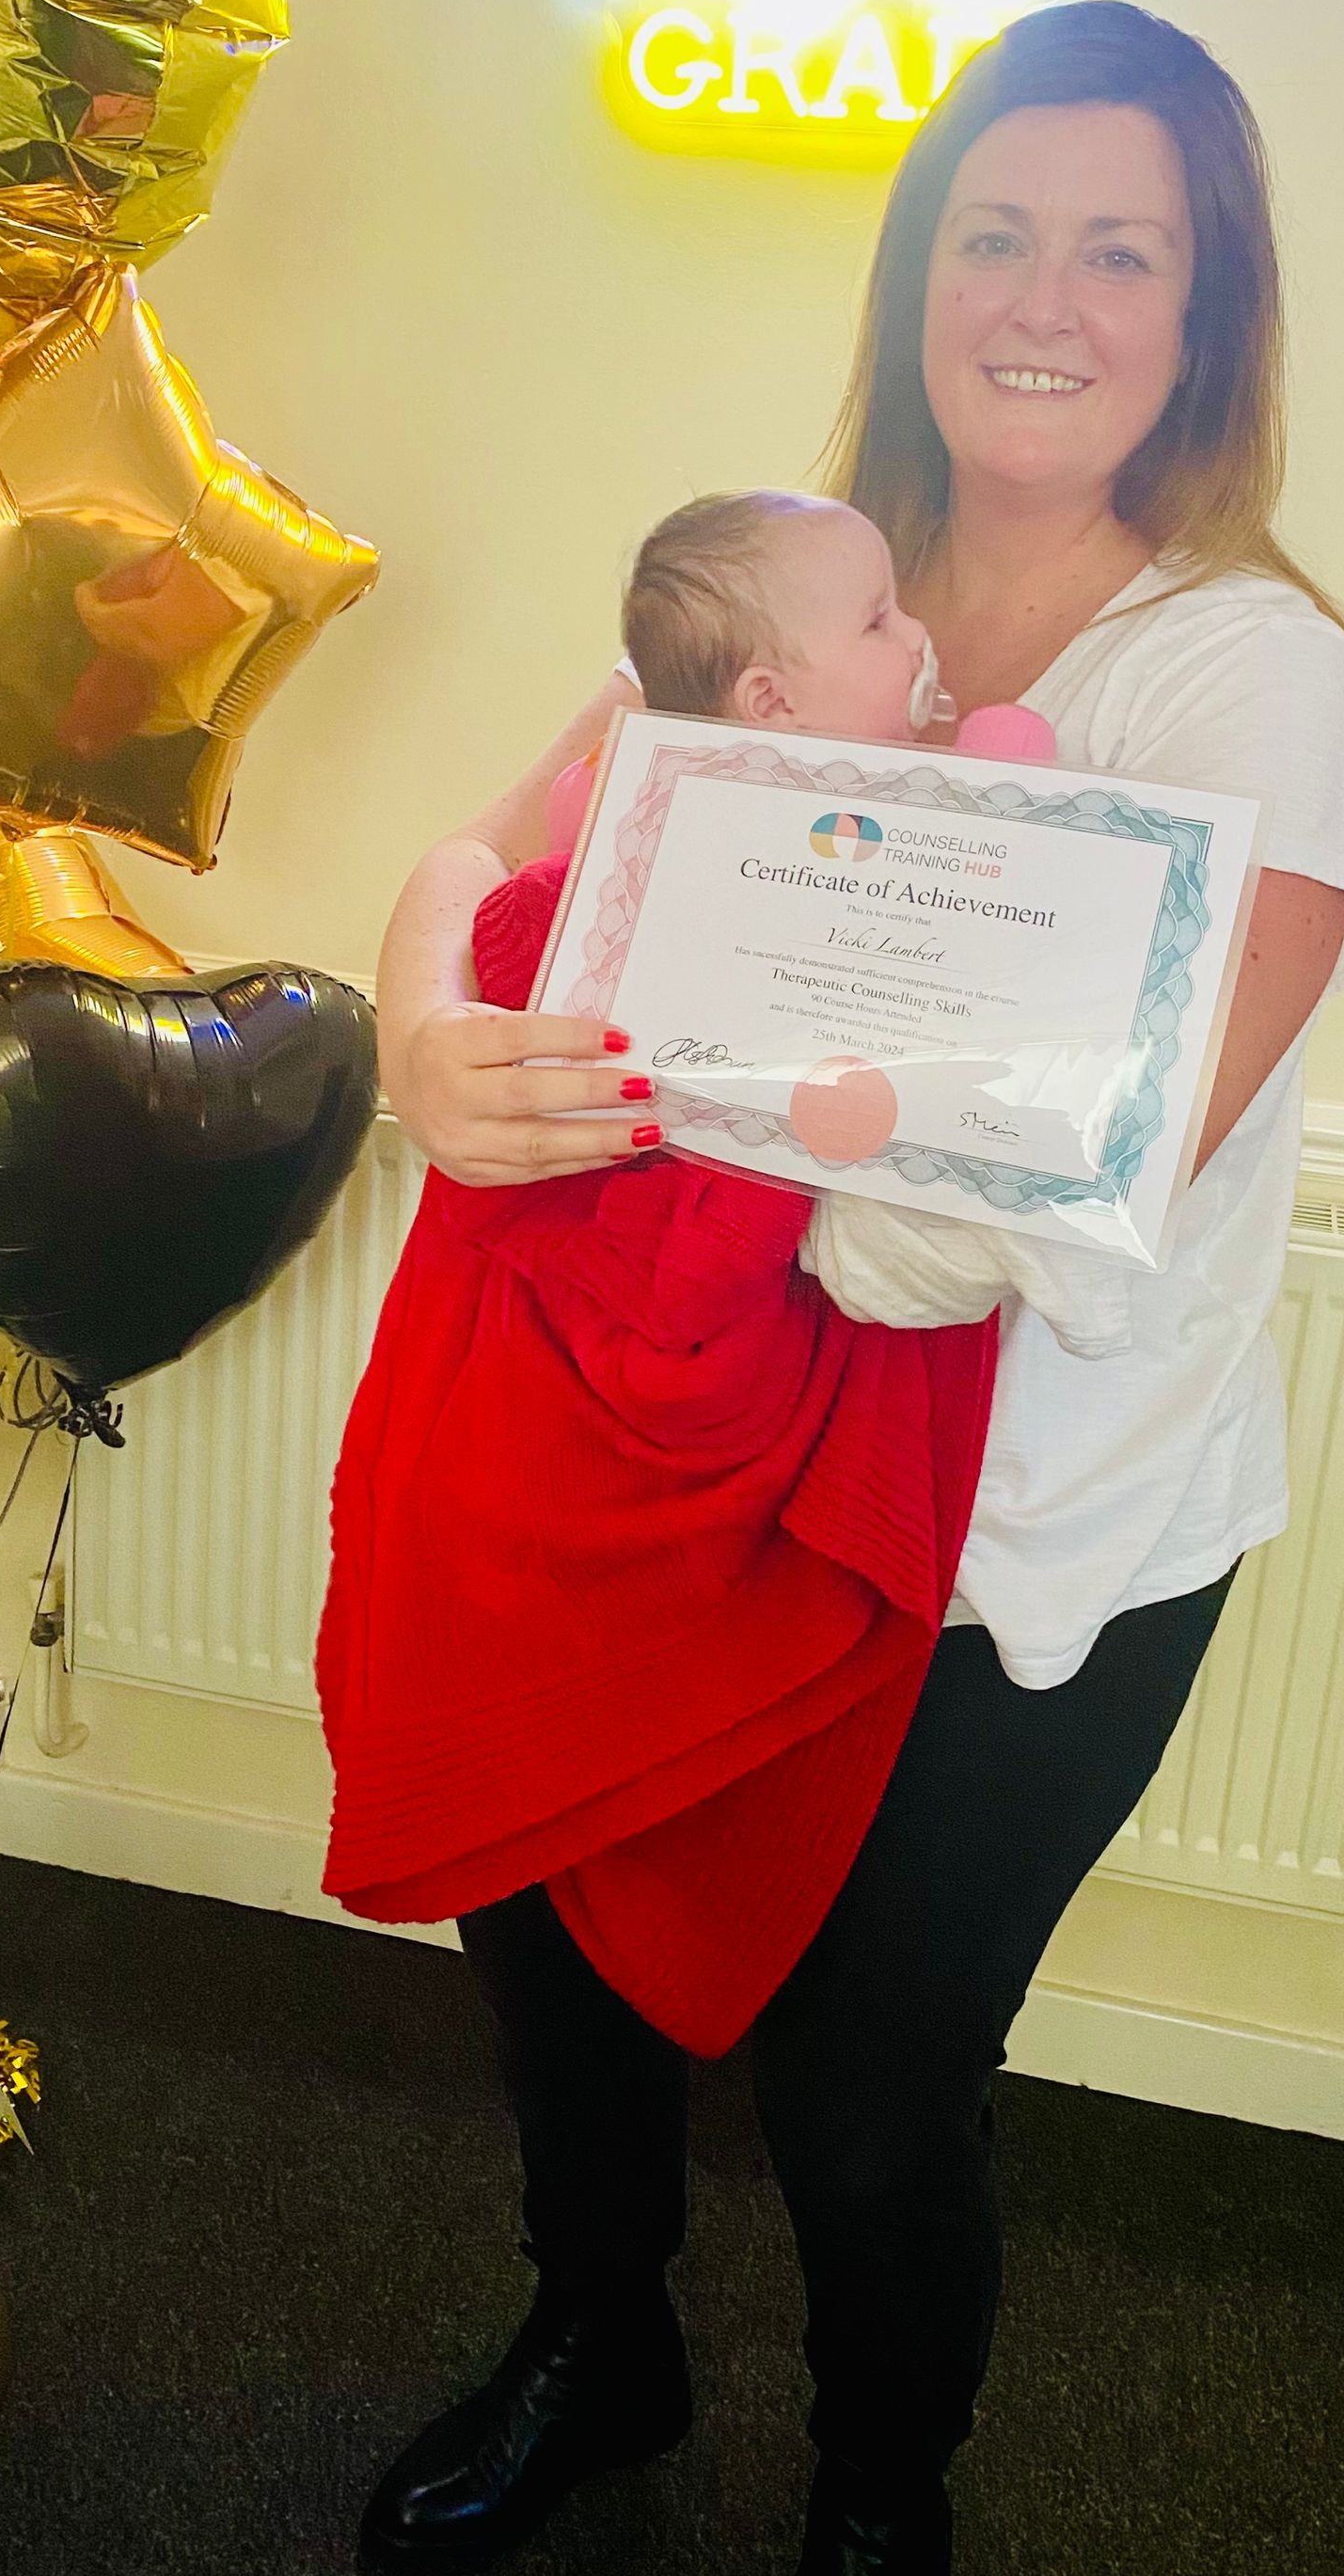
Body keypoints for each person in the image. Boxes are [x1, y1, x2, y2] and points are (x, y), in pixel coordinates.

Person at [362, 2, 1344, 2576]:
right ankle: (601, 2349)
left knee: (860, 2074)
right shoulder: (808, 579)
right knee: (560, 1950)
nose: (1047, 297)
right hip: (680, 1468)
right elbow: (490, 857)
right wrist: (422, 1027)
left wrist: (775, 1129)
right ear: (919, 267)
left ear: (1211, 312)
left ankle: (882, 2503)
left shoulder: (1250, 683)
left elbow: (1084, 1161)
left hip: (1023, 1545)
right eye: (996, 230)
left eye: (1123, 244)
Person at [316, 489, 1004, 2068]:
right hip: (587, 1357)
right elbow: (497, 883)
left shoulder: (933, 748)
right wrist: (426, 1036)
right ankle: (595, 2273)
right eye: (888, 623)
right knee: (549, 1895)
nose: (922, 644)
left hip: (768, 1379)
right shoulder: (676, 732)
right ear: (767, 694)